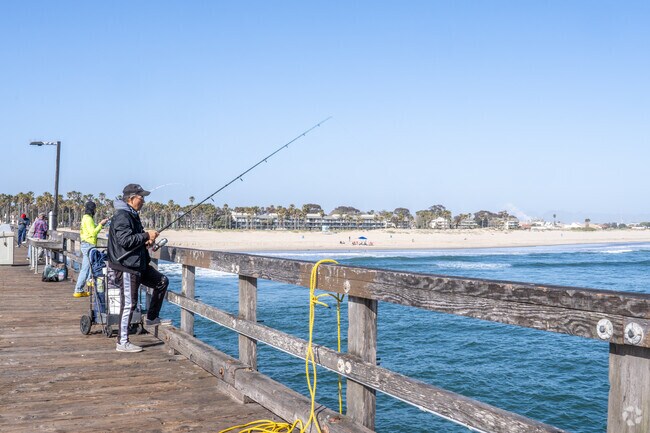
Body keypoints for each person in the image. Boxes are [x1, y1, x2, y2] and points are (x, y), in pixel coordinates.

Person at [107, 184, 169, 353]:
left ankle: (151, 317)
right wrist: (146, 235)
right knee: (129, 304)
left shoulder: (132, 215)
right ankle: (122, 341)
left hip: (138, 264)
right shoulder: (122, 215)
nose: (143, 200)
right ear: (131, 198)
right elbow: (125, 241)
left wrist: (146, 241)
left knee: (162, 281)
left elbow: (133, 239)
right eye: (141, 197)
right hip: (126, 266)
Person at [73, 201, 108, 298]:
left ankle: (89, 281)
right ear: (92, 209)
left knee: (88, 266)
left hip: (86, 244)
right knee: (85, 268)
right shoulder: (88, 219)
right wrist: (101, 224)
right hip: (89, 245)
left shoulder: (85, 218)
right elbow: (93, 233)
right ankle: (78, 289)